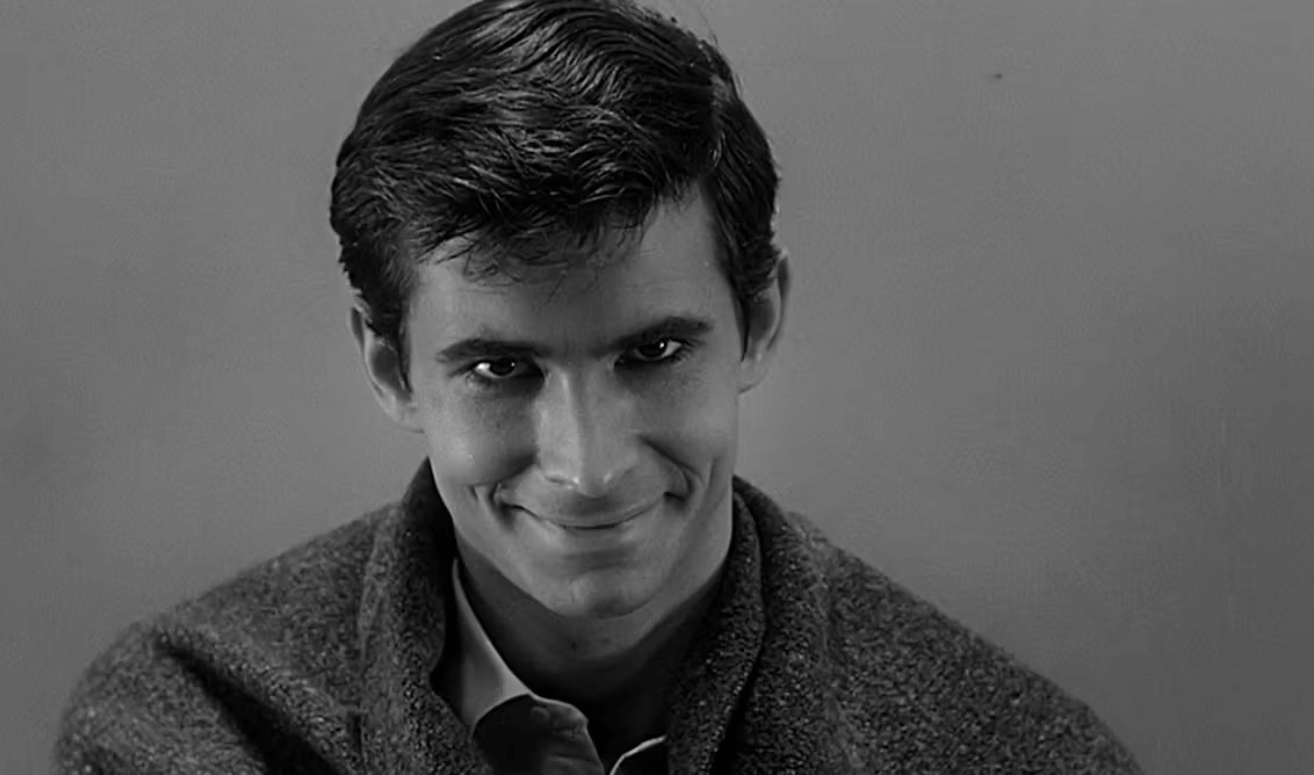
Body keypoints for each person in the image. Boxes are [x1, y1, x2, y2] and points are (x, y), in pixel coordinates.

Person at [53, 0, 1142, 772]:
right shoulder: (192, 724)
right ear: (390, 367)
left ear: (759, 320)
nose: (588, 467)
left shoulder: (1007, 752)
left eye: (652, 353)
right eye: (500, 368)